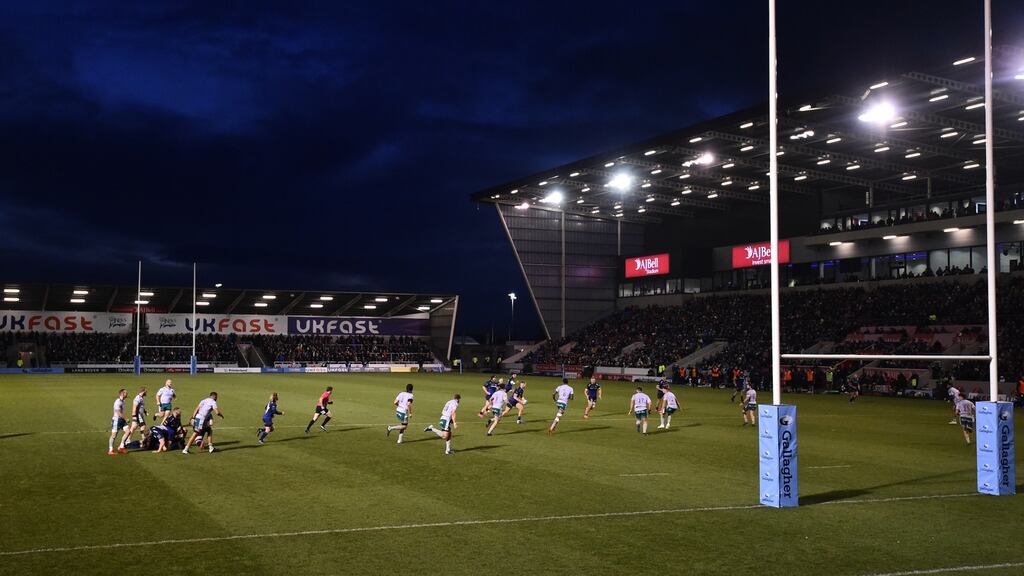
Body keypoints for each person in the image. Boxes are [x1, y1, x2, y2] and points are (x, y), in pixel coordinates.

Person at [118, 387, 148, 453]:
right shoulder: (137, 398)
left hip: (140, 415)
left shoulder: (141, 398)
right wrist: (134, 416)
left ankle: (128, 439)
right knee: (142, 426)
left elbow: (141, 407)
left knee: (134, 427)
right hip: (137, 415)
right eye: (146, 391)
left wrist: (145, 412)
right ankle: (143, 439)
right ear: (143, 391)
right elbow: (134, 408)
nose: (146, 393)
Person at [108, 388, 128, 455]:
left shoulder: (123, 401)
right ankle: (110, 450)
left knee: (128, 431)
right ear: (122, 394)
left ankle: (121, 447)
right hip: (117, 420)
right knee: (114, 436)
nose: (127, 393)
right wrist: (126, 418)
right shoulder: (118, 402)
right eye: (126, 392)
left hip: (121, 420)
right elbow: (118, 412)